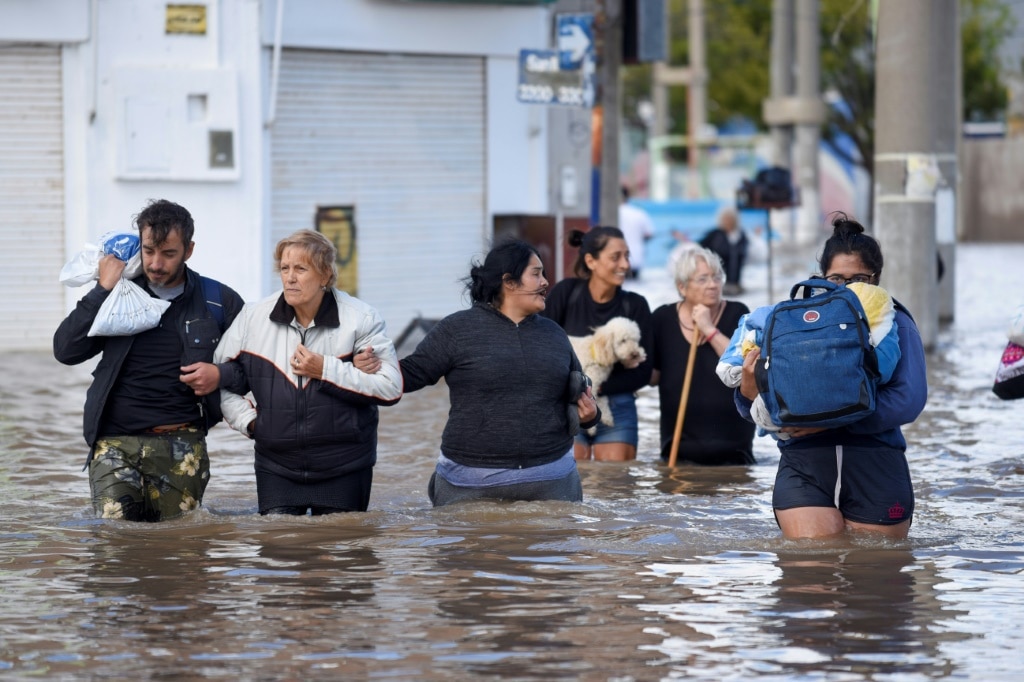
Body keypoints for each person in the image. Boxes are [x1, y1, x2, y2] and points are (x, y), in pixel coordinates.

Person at [736, 214, 928, 539]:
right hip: (805, 464)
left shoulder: (897, 324)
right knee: (810, 574)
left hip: (875, 463)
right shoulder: (794, 322)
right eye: (837, 279)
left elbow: (908, 400)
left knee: (875, 578)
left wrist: (824, 422)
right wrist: (746, 391)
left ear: (876, 280)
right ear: (821, 277)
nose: (847, 288)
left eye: (859, 280)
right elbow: (753, 406)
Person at [53, 199, 245, 522]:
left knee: (180, 553)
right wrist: (102, 289)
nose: (156, 263)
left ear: (189, 249)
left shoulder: (218, 301)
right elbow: (65, 350)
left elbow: (255, 369)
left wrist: (220, 374)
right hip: (113, 444)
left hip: (182, 444)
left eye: (168, 253)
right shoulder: (118, 296)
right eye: (149, 251)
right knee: (115, 547)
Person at [399, 238, 600, 507]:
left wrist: (590, 415)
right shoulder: (457, 330)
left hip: (553, 484)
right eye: (536, 273)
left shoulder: (554, 334)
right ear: (509, 281)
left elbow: (579, 396)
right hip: (467, 485)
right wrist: (359, 367)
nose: (545, 282)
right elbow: (407, 375)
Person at [212, 230, 402, 515]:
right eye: (285, 268)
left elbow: (390, 387)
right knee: (280, 551)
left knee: (344, 553)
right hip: (276, 467)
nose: (290, 277)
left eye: (301, 269)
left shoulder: (361, 318)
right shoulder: (253, 317)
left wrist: (325, 368)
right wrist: (251, 424)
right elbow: (221, 378)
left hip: (345, 465)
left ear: (325, 275)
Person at [541, 226, 653, 462]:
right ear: (591, 261)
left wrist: (596, 390)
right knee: (571, 482)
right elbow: (542, 350)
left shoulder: (636, 305)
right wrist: (574, 392)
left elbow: (643, 372)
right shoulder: (565, 293)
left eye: (627, 256)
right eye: (616, 257)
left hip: (618, 405)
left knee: (613, 483)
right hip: (566, 403)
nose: (625, 264)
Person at [649, 246, 755, 465]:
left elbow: (744, 365)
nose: (713, 285)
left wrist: (709, 329)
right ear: (682, 286)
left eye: (717, 277)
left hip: (734, 449)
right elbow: (651, 376)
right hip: (678, 448)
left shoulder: (737, 313)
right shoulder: (662, 318)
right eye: (703, 279)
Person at [699, 206, 748, 295]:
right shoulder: (714, 234)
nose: (728, 222)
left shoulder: (741, 235)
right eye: (725, 219)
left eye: (730, 219)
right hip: (718, 280)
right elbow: (700, 247)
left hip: (735, 280)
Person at [618, 186, 654, 280]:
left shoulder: (612, 214)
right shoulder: (639, 213)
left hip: (616, 261)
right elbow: (649, 234)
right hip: (635, 260)